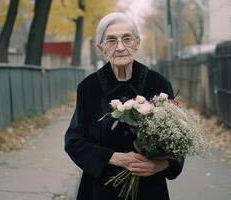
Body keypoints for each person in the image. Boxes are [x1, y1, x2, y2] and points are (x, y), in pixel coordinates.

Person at [64, 12, 184, 200]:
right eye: (111, 41)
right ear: (101, 47)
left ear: (137, 43)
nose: (120, 47)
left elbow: (179, 143)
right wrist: (116, 158)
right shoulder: (89, 88)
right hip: (100, 190)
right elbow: (74, 142)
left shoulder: (158, 84)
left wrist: (158, 165)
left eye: (127, 39)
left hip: (149, 189)